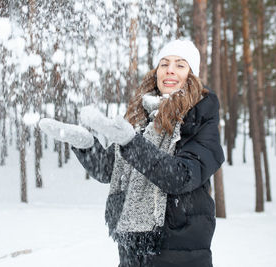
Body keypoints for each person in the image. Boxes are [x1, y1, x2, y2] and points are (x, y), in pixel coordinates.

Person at [39, 39, 224, 267]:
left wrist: (130, 141)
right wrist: (85, 145)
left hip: (180, 249)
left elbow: (181, 177)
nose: (170, 70)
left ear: (192, 75)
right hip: (133, 250)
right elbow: (111, 170)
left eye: (180, 65)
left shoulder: (201, 120)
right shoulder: (142, 117)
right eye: (164, 64)